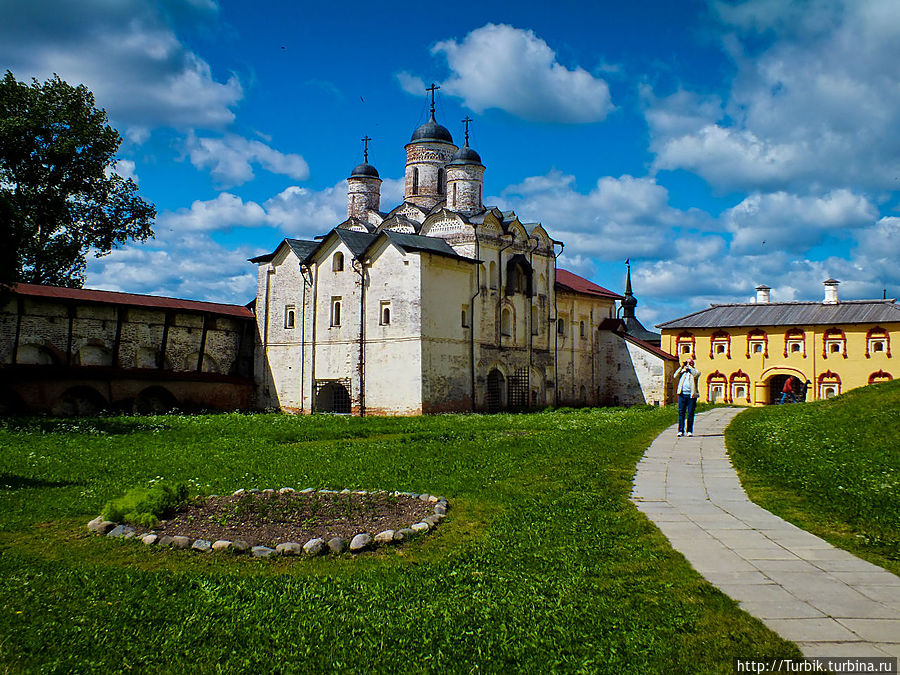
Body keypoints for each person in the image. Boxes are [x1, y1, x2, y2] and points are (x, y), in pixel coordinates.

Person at [674, 359, 700, 437]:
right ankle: (680, 430)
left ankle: (689, 430)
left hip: (691, 395)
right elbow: (675, 376)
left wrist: (690, 367)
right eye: (688, 362)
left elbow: (696, 375)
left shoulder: (695, 372)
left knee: (690, 413)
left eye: (690, 362)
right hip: (682, 394)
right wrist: (682, 367)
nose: (688, 364)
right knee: (681, 413)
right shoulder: (683, 372)